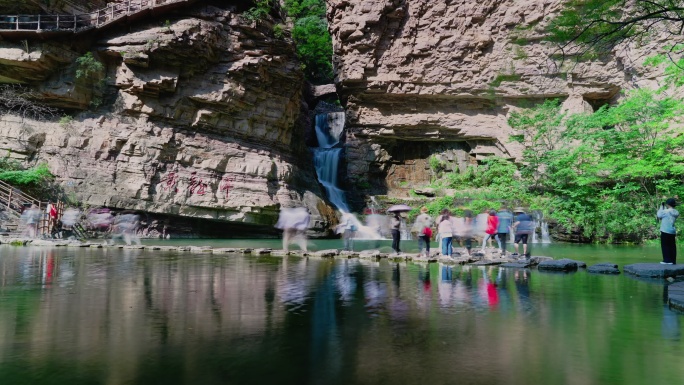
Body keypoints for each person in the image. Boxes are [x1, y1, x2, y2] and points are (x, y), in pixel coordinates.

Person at [657, 198, 679, 264]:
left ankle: (667, 260)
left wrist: (661, 207)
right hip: (672, 231)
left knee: (665, 245)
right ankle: (673, 260)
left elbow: (659, 215)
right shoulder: (676, 212)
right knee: (672, 246)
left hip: (665, 230)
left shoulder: (666, 211)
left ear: (668, 204)